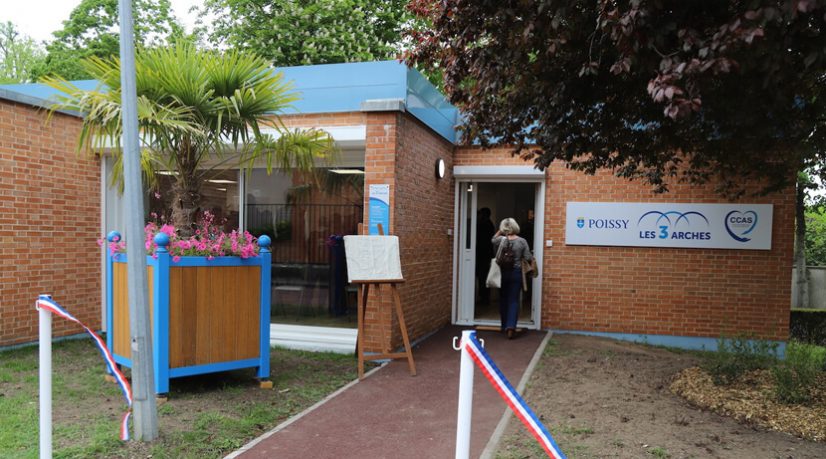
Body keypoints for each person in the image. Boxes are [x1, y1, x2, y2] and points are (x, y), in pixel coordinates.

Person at [492, 218, 533, 339]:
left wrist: (500, 231)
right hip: (516, 273)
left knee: (503, 299)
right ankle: (511, 326)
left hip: (502, 273)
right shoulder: (522, 241)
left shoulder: (500, 240)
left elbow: (492, 239)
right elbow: (527, 257)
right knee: (513, 300)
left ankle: (504, 326)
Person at [475, 207, 496, 303]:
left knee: (483, 276)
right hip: (486, 254)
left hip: (483, 255)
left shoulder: (484, 224)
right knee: (483, 276)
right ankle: (484, 297)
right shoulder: (489, 224)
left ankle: (484, 297)